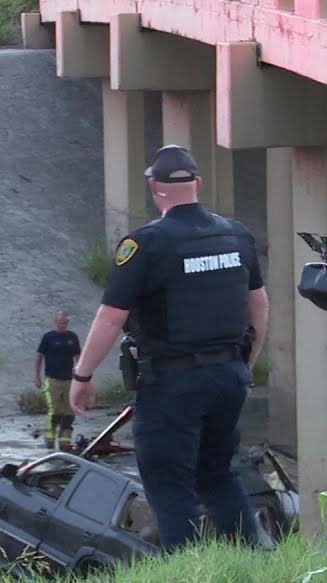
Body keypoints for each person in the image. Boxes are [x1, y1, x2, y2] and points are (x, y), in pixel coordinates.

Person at [70, 144, 268, 551]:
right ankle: (254, 565)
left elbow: (111, 317)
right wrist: (245, 362)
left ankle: (190, 580)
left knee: (169, 485)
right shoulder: (236, 235)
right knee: (219, 474)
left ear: (153, 188)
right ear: (197, 183)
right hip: (229, 376)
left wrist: (82, 375)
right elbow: (259, 306)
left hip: (171, 384)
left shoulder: (146, 245)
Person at [35, 310, 82, 449]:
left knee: (69, 412)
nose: (63, 325)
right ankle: (49, 439)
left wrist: (80, 375)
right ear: (55, 322)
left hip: (69, 380)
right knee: (54, 410)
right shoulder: (48, 337)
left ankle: (64, 440)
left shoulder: (72, 337)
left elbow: (78, 357)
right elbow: (39, 358)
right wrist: (37, 377)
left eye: (65, 323)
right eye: (60, 322)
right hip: (53, 379)